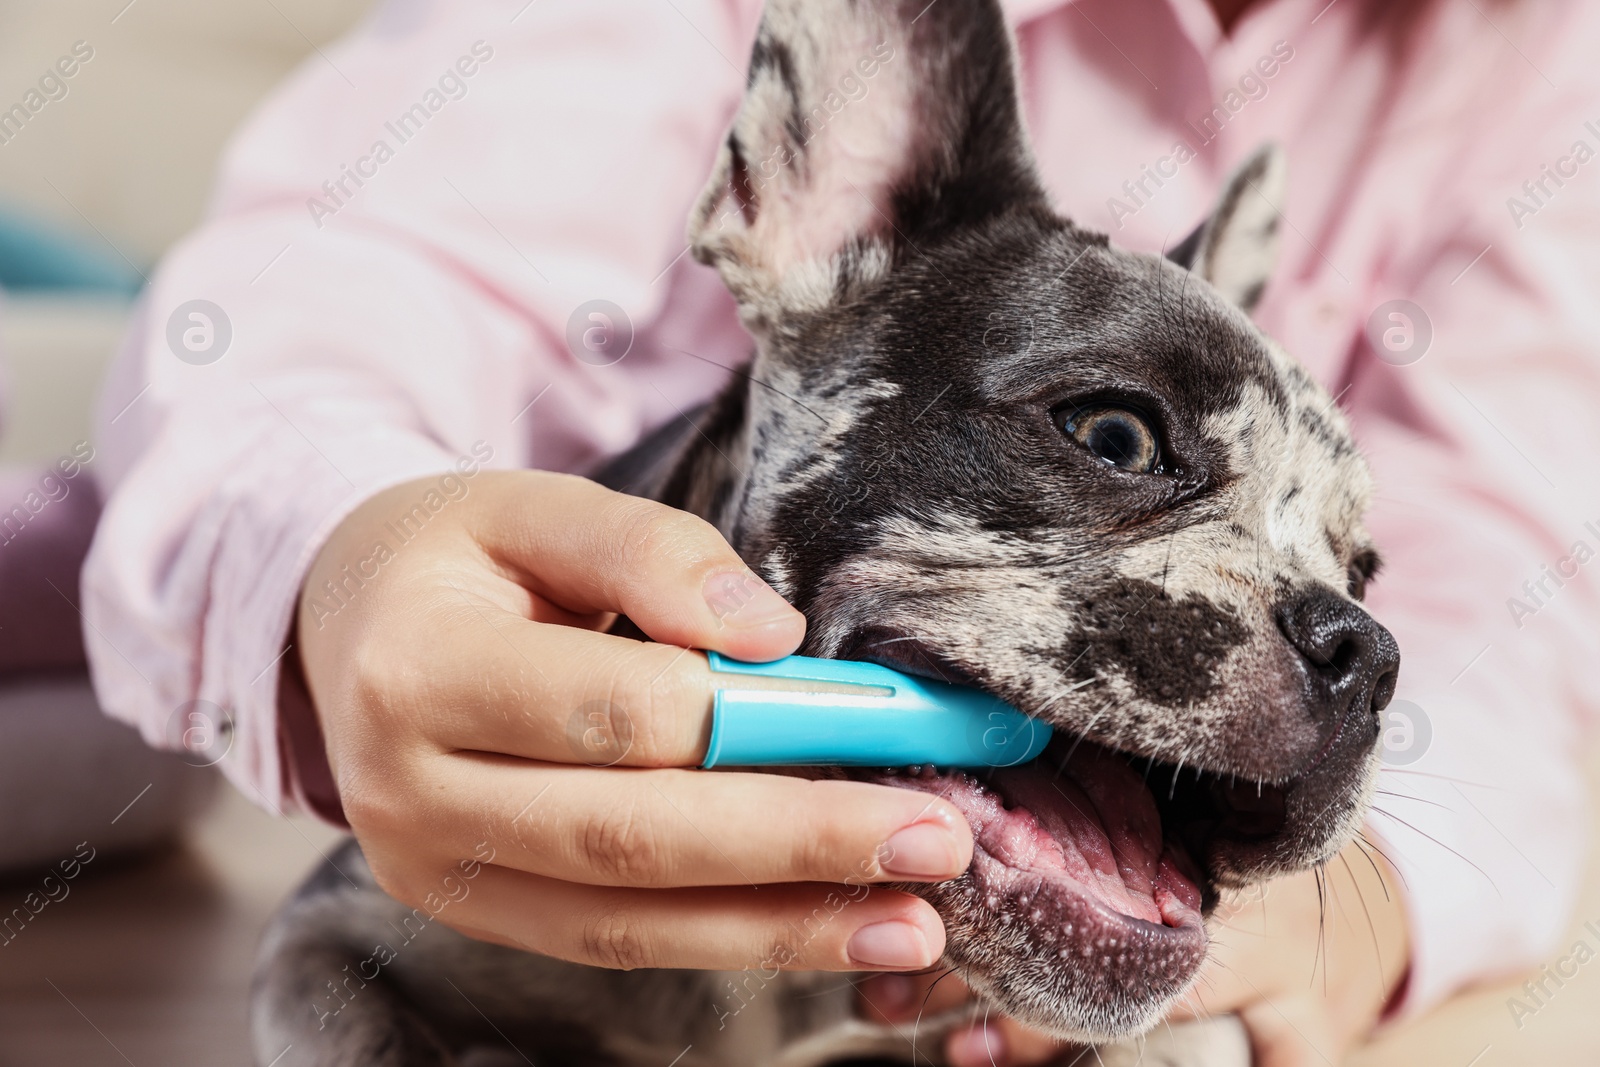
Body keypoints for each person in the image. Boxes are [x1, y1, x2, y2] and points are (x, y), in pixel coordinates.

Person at [81, 0, 1600, 1063]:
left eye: (1346, 576)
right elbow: (346, 280)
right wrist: (344, 559)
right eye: (1118, 438)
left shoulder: (1553, 61)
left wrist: (1374, 901)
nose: (1330, 619)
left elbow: (1516, 561)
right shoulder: (875, 216)